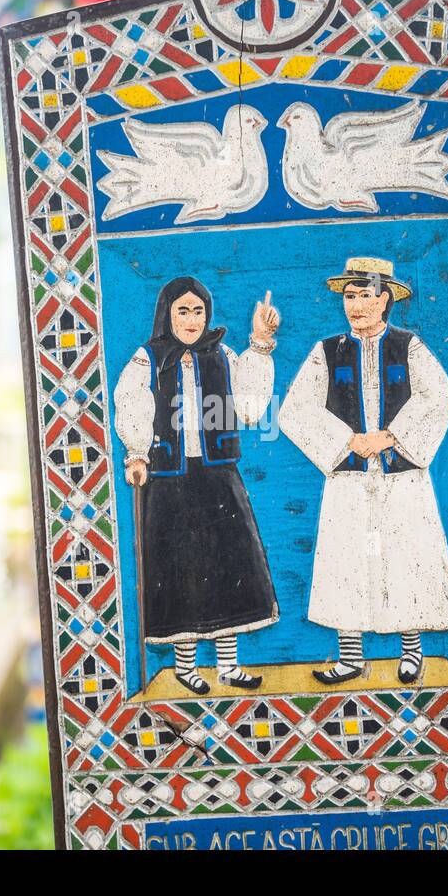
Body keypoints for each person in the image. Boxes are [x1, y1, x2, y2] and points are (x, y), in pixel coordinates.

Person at [278, 257, 448, 685]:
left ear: (384, 300)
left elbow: (439, 397)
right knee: (346, 558)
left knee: (407, 555)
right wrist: (348, 441)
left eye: (365, 295)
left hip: (402, 475)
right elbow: (294, 409)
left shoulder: (408, 345)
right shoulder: (327, 351)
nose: (356, 305)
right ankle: (350, 657)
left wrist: (393, 436)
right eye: (350, 296)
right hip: (348, 477)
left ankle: (411, 651)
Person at [113, 276, 281, 695]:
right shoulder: (147, 359)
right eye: (182, 311)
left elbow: (250, 408)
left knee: (230, 566)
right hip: (169, 480)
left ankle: (228, 665)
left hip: (218, 476)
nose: (191, 320)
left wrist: (259, 344)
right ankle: (186, 666)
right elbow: (132, 402)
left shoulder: (222, 355)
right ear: (167, 314)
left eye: (198, 311)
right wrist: (136, 453)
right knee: (179, 569)